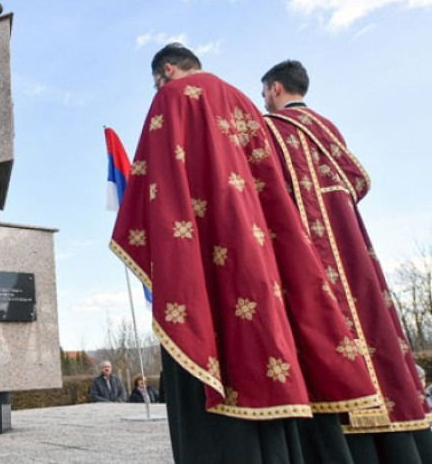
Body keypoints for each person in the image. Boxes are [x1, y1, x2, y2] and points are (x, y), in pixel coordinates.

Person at [111, 43, 381, 463]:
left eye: (155, 83)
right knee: (265, 353)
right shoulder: (244, 103)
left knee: (205, 337)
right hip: (260, 258)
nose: (155, 90)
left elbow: (159, 184)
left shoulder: (173, 97)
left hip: (201, 255)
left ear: (166, 70)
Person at [261, 59, 432, 462]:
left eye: (264, 91)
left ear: (275, 89)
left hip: (312, 255)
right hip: (354, 249)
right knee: (375, 326)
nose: (264, 98)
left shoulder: (276, 129)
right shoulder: (328, 129)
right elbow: (358, 180)